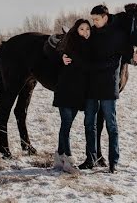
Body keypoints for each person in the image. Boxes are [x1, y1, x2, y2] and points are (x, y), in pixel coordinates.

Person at [80, 4, 137, 173]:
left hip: (108, 87)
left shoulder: (117, 35)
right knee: (89, 124)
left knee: (111, 126)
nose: (94, 22)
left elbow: (129, 56)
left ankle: (113, 161)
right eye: (93, 19)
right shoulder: (91, 34)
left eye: (97, 19)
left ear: (105, 17)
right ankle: (90, 159)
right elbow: (79, 50)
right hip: (91, 87)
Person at [51, 18, 93, 173]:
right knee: (66, 124)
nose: (85, 32)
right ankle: (68, 160)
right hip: (65, 89)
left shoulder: (90, 45)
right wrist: (61, 56)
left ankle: (58, 157)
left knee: (66, 125)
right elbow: (57, 54)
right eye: (81, 29)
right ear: (76, 30)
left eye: (87, 29)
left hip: (78, 92)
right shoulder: (71, 44)